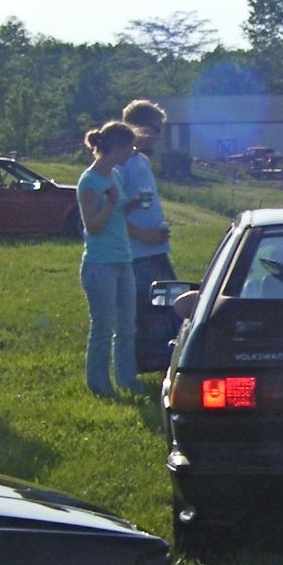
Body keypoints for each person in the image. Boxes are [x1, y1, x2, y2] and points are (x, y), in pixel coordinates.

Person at [77, 120, 153, 398]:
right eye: (129, 148)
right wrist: (109, 203)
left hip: (123, 259)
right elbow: (93, 226)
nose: (131, 153)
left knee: (126, 326)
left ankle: (127, 379)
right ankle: (99, 383)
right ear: (117, 148)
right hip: (100, 264)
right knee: (102, 326)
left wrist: (131, 203)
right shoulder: (89, 181)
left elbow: (118, 212)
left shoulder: (116, 176)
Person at [119, 98, 180, 372]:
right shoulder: (120, 165)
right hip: (137, 253)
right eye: (156, 129)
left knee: (171, 305)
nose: (158, 136)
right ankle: (144, 363)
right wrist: (143, 234)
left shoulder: (141, 160)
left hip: (155, 249)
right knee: (147, 311)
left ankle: (164, 361)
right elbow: (112, 213)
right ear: (139, 128)